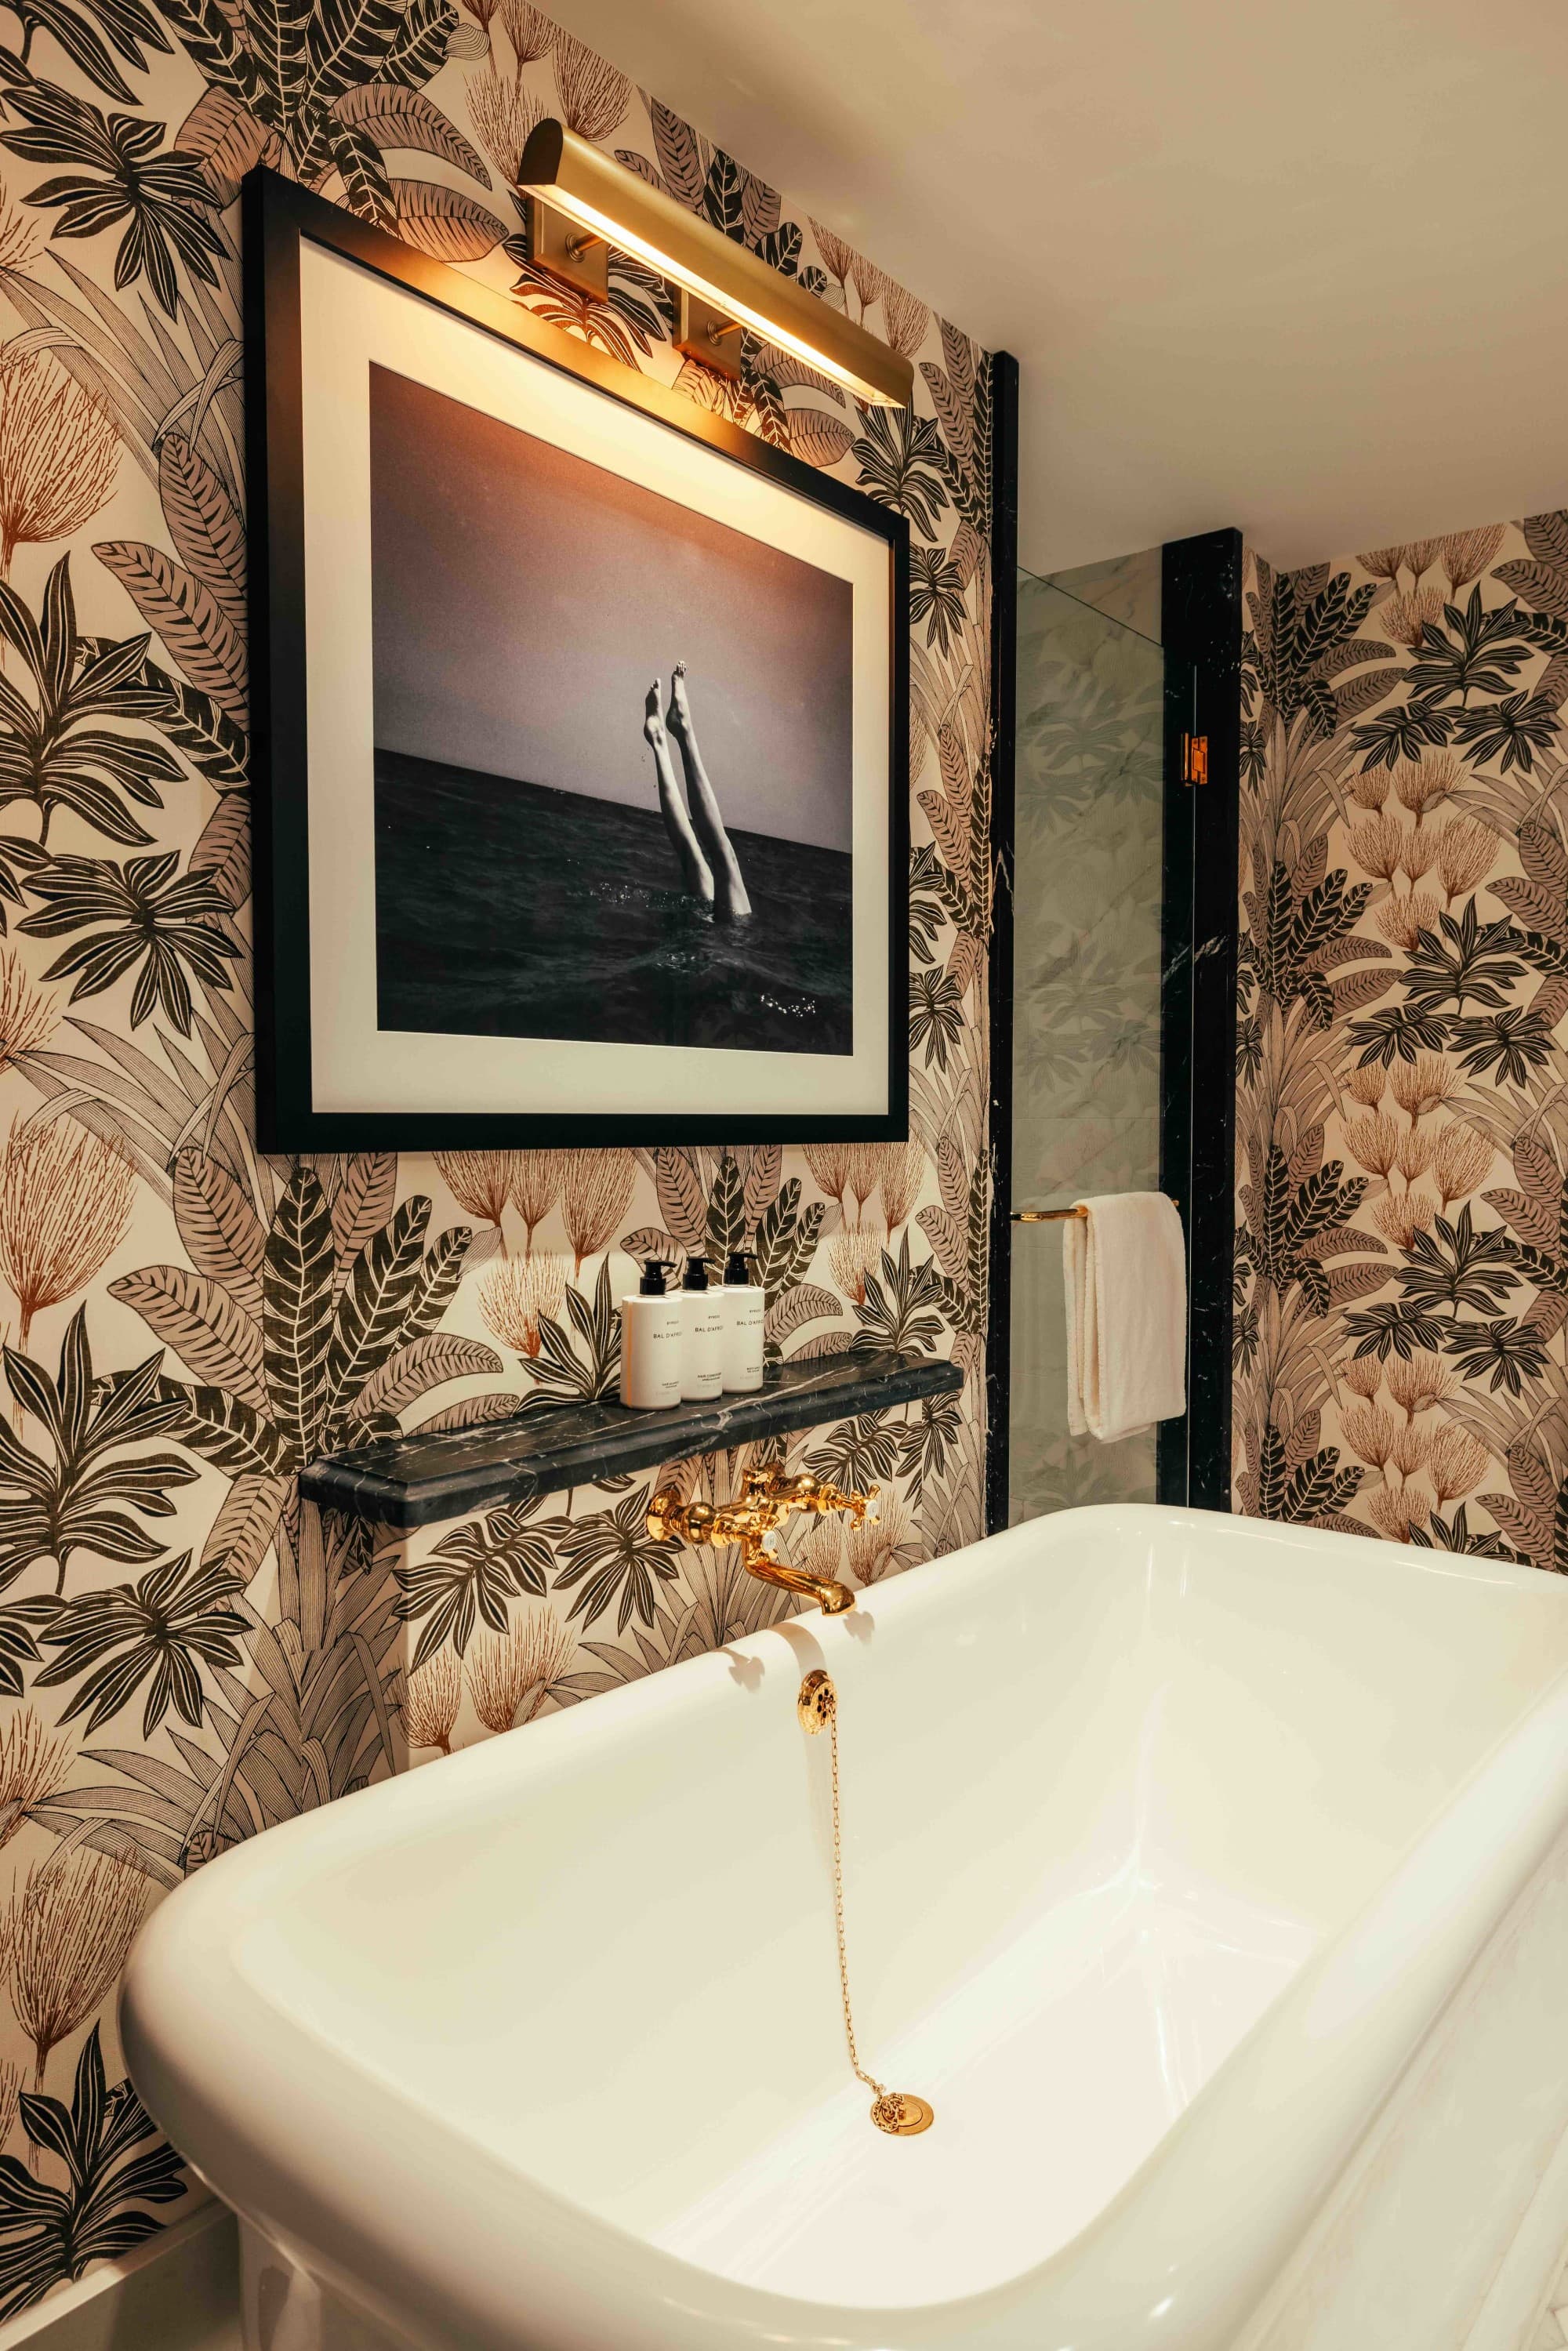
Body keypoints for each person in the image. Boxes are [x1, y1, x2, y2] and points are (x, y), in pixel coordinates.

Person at [644, 664, 753, 922]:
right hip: (724, 941)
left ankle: (680, 733)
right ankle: (660, 741)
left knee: (722, 859)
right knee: (692, 858)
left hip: (732, 936)